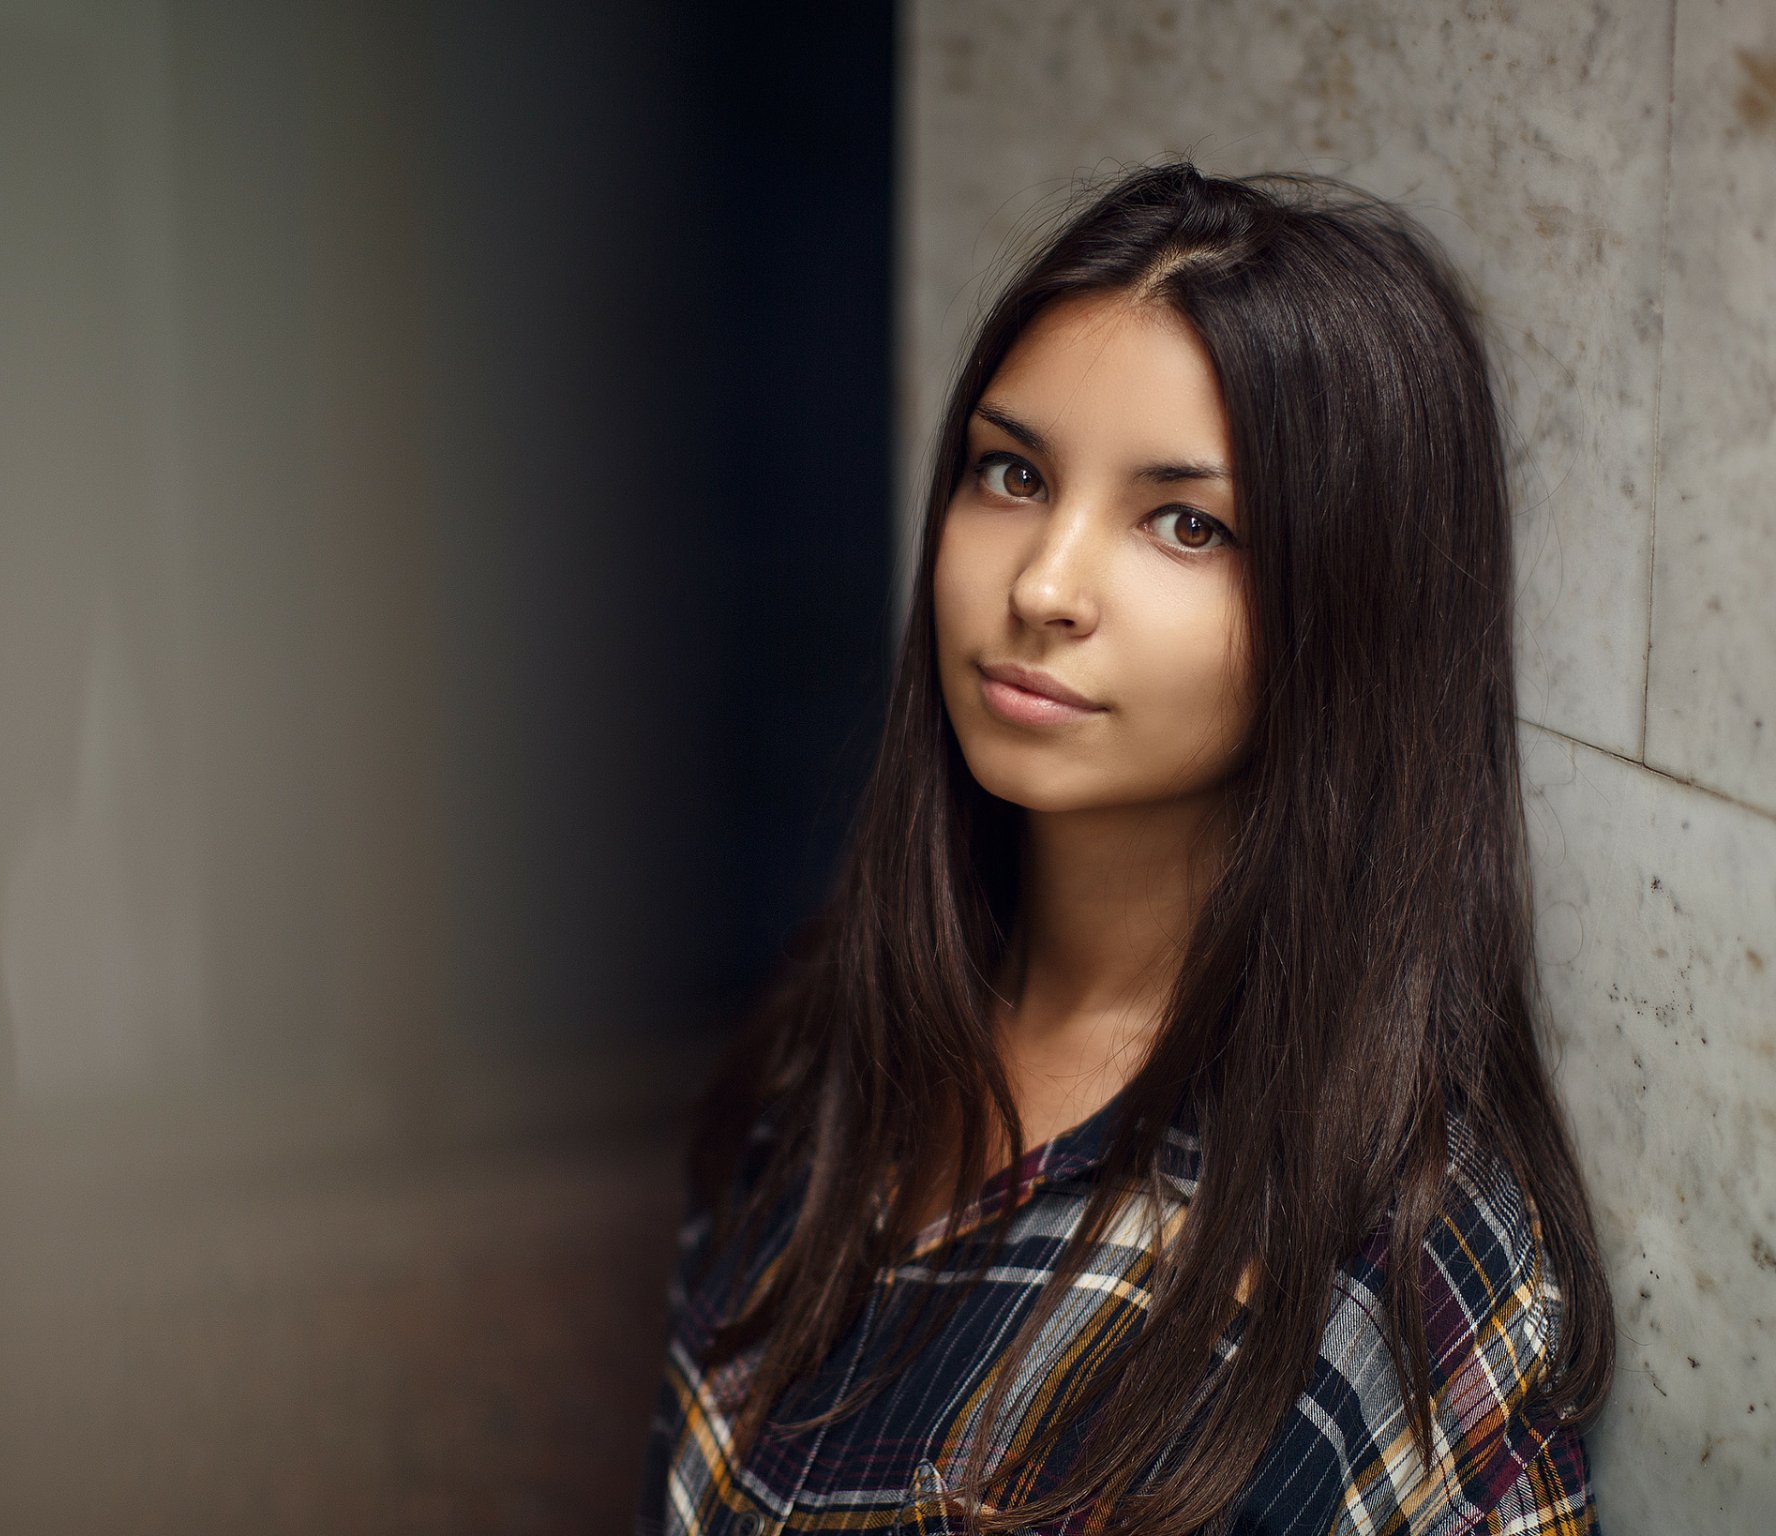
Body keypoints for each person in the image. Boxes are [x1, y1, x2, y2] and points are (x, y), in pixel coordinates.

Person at [635, 163, 1613, 1536]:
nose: (1043, 584)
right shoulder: (838, 1037)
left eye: (1186, 524)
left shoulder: (1386, 1265)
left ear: (1354, 607)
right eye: (1013, 473)